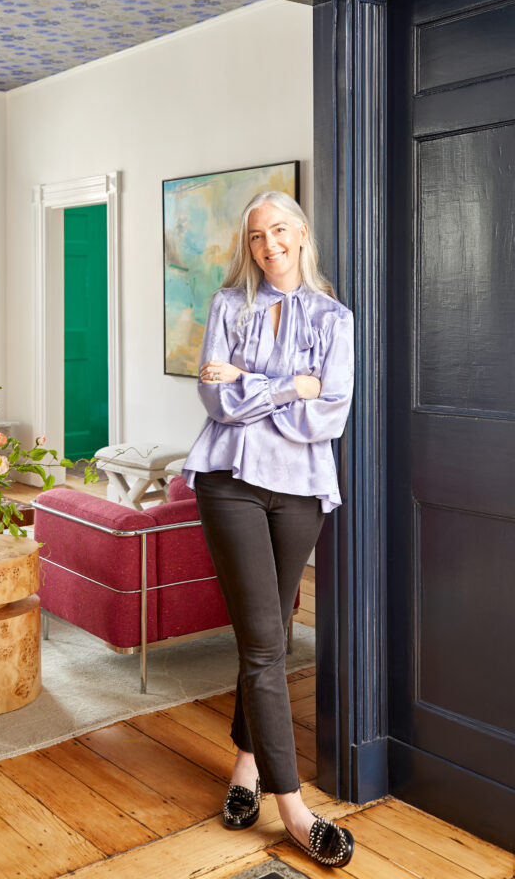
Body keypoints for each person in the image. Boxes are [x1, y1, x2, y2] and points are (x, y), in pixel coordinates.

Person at [181, 189, 355, 869]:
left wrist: (257, 380)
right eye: (257, 237)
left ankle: (245, 768)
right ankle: (295, 811)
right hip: (230, 483)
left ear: (302, 233)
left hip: (303, 491)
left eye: (279, 231)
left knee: (272, 632)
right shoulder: (230, 306)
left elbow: (329, 416)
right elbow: (216, 402)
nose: (269, 245)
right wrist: (293, 385)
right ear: (247, 247)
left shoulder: (335, 318)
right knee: (262, 646)